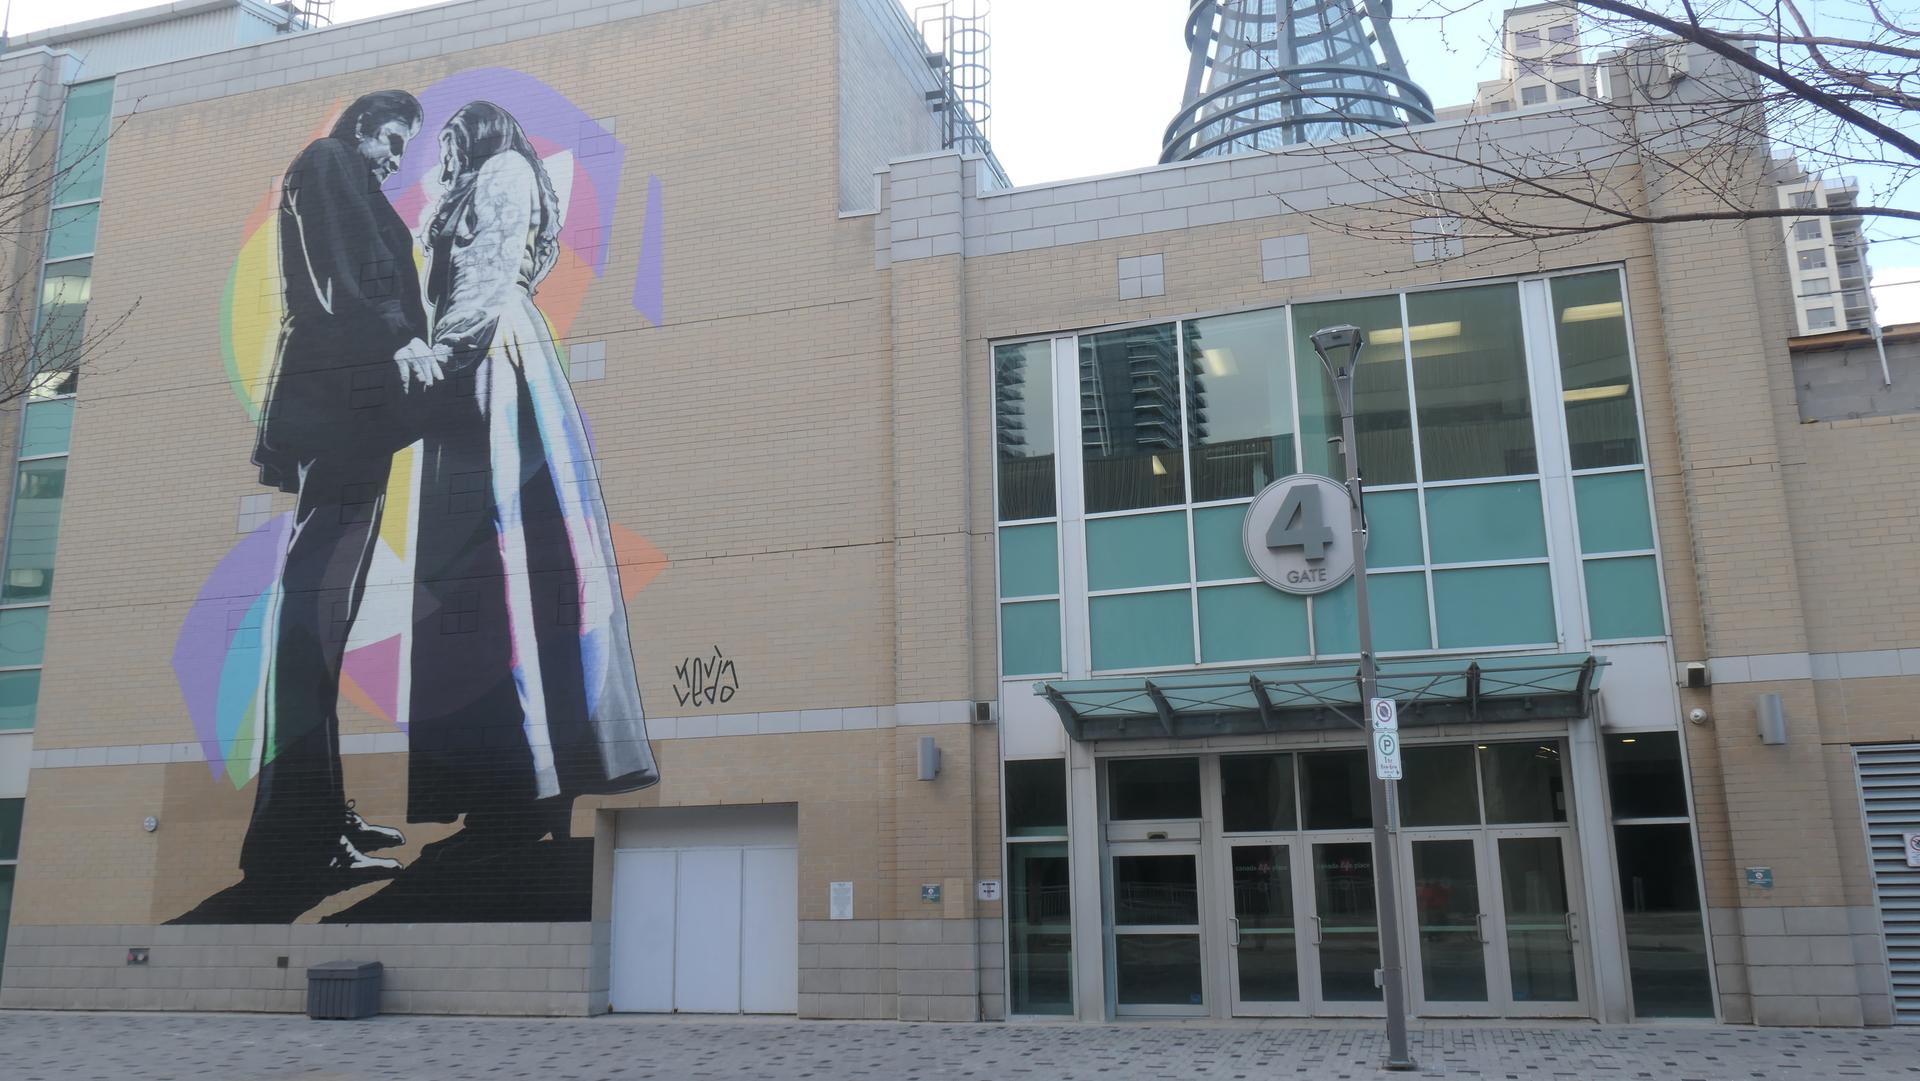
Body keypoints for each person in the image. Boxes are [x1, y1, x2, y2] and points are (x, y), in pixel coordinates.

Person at [406, 101, 657, 851]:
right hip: (477, 360)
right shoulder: (478, 182)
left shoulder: (506, 171)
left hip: (490, 359)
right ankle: (507, 776)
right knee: (478, 567)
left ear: (479, 135)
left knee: (510, 542)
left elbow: (485, 277)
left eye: (453, 140)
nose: (446, 155)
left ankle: (534, 770)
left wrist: (443, 356)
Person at [241, 90, 444, 881]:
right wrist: (398, 338)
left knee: (325, 619)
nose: (396, 159)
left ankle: (316, 811)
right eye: (392, 140)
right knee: (314, 618)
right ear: (362, 125)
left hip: (353, 415)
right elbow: (336, 272)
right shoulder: (327, 161)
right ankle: (297, 834)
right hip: (337, 411)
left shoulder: (348, 175)